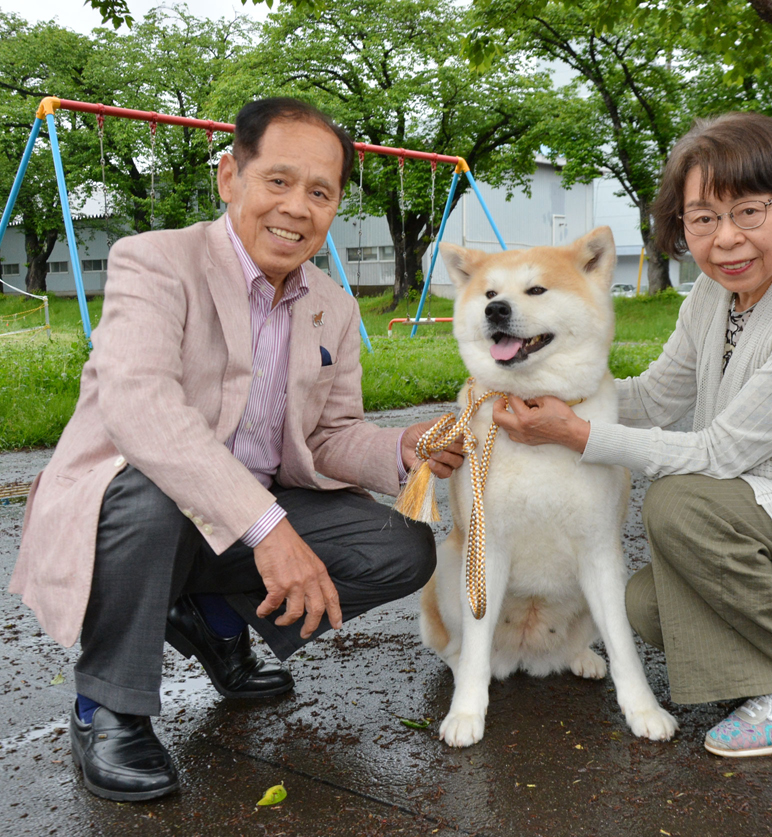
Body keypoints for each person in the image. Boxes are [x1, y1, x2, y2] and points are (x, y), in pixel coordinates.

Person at [9, 97, 462, 800]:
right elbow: (142, 409)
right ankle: (109, 707)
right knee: (153, 489)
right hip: (136, 499)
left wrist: (403, 446)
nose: (296, 207)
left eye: (320, 191)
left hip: (249, 514)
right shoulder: (155, 261)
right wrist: (269, 525)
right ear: (230, 177)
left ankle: (212, 617)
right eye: (277, 181)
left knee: (402, 548)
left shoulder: (331, 308)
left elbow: (328, 434)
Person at [492, 111, 772, 758]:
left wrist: (574, 433)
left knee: (681, 501)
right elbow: (653, 397)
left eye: (749, 212)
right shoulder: (712, 296)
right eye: (703, 218)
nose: (726, 238)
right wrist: (545, 391)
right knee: (649, 606)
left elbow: (716, 454)